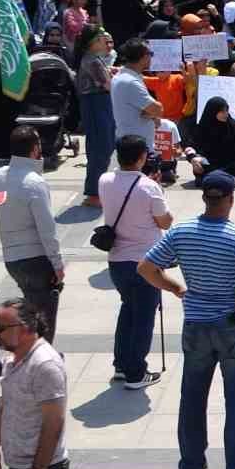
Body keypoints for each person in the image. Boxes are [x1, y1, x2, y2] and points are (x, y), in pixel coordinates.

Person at [139, 169, 235, 469]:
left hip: (196, 326)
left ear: (204, 197)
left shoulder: (182, 231)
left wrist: (175, 288)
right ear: (230, 199)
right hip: (234, 326)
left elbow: (146, 268)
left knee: (192, 397)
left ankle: (191, 467)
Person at [0, 298, 69, 469]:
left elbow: (54, 423)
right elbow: (7, 403)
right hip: (21, 465)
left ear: (24, 328)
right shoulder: (13, 359)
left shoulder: (45, 366)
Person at [100, 134, 172, 390]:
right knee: (143, 317)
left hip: (117, 260)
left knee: (128, 309)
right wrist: (158, 189)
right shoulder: (149, 187)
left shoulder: (105, 180)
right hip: (146, 261)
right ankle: (135, 373)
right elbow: (165, 221)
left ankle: (122, 364)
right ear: (142, 157)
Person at [0, 126, 64, 342]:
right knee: (43, 322)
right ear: (35, 149)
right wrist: (57, 264)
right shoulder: (35, 183)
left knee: (30, 314)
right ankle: (41, 363)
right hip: (36, 260)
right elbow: (46, 228)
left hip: (12, 260)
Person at [75, 26, 115, 206]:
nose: (104, 42)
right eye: (100, 38)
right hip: (95, 103)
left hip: (100, 103)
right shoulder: (92, 60)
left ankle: (97, 189)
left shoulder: (96, 59)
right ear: (93, 42)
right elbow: (107, 85)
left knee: (104, 145)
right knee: (101, 146)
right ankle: (93, 193)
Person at [110, 38, 164, 154]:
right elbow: (158, 109)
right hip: (134, 150)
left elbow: (151, 111)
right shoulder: (130, 82)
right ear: (144, 57)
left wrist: (150, 114)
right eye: (151, 54)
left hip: (133, 145)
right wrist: (152, 113)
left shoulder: (124, 76)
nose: (152, 58)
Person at [188, 97, 235, 187]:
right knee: (201, 165)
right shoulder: (202, 128)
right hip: (211, 163)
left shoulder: (234, 126)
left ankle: (215, 179)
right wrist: (192, 159)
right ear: (213, 112)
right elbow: (190, 147)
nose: (226, 114)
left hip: (232, 163)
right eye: (222, 112)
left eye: (226, 111)